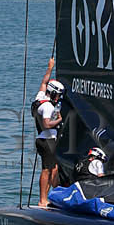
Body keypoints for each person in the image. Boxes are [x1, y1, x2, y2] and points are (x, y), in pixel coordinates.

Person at [31, 56, 65, 205]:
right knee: (47, 170)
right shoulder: (48, 107)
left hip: (45, 140)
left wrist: (50, 67)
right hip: (47, 140)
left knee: (54, 168)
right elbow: (46, 124)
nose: (58, 99)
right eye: (57, 95)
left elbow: (44, 82)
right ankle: (43, 200)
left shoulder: (40, 97)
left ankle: (54, 195)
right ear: (52, 94)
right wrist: (60, 119)